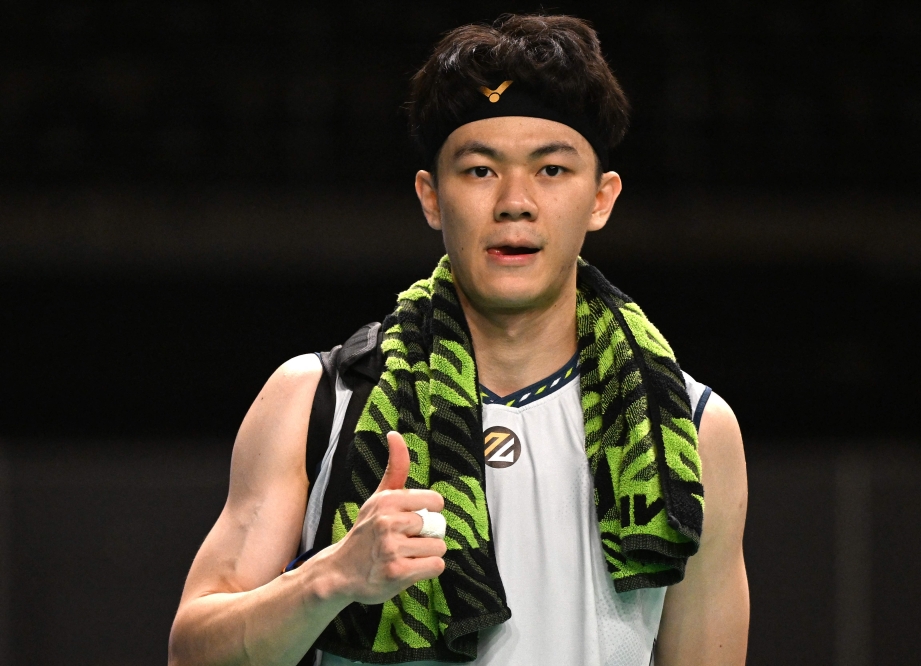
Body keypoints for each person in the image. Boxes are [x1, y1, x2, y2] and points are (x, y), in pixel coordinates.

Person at [169, 14, 749, 666]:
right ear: (431, 197)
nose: (515, 202)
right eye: (479, 171)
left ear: (601, 199)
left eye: (552, 170)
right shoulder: (314, 400)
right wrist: (329, 579)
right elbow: (193, 654)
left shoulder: (690, 429)